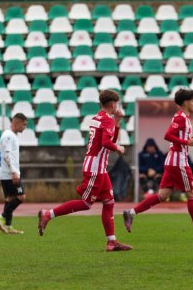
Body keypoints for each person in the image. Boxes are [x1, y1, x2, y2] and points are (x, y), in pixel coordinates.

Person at [37, 90, 132, 251]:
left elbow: (108, 139)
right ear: (112, 104)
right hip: (95, 168)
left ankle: (111, 241)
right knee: (87, 203)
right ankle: (48, 214)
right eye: (117, 103)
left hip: (98, 167)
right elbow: (107, 143)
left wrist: (117, 123)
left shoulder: (97, 118)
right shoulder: (105, 120)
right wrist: (118, 148)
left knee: (109, 202)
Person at [123, 89, 193, 239]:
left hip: (173, 161)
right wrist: (187, 141)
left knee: (163, 195)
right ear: (186, 102)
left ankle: (131, 213)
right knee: (192, 194)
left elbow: (181, 140)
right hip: (178, 161)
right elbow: (168, 135)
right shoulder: (181, 117)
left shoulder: (184, 117)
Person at [0, 113, 27, 235]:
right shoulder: (9, 136)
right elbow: (7, 155)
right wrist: (14, 172)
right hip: (9, 173)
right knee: (21, 196)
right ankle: (2, 217)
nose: (24, 127)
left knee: (10, 198)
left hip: (6, 173)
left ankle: (8, 226)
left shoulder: (9, 135)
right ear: (17, 122)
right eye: (24, 124)